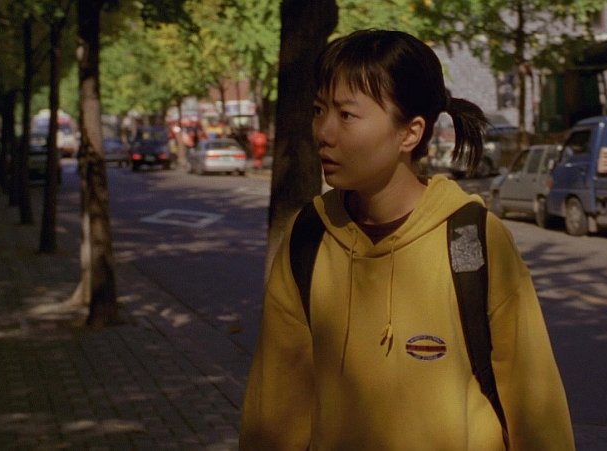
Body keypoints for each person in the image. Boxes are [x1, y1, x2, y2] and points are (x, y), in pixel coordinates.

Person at [239, 30, 574, 450]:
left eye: (346, 115)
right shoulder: (308, 237)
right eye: (319, 110)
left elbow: (536, 409)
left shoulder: (472, 240)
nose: (324, 131)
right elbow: (275, 409)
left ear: (410, 133)